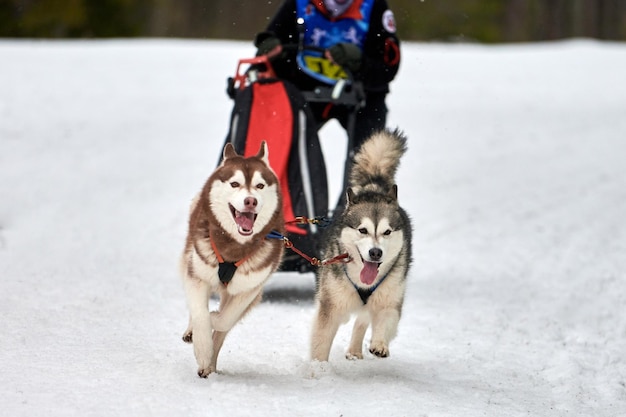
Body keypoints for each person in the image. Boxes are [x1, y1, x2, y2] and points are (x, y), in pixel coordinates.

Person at [254, 0, 401, 153]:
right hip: (305, 93)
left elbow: (388, 68)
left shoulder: (374, 7)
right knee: (276, 146)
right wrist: (271, 49)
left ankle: (369, 175)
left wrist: (359, 62)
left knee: (372, 157)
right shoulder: (299, 4)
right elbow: (268, 51)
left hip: (361, 96)